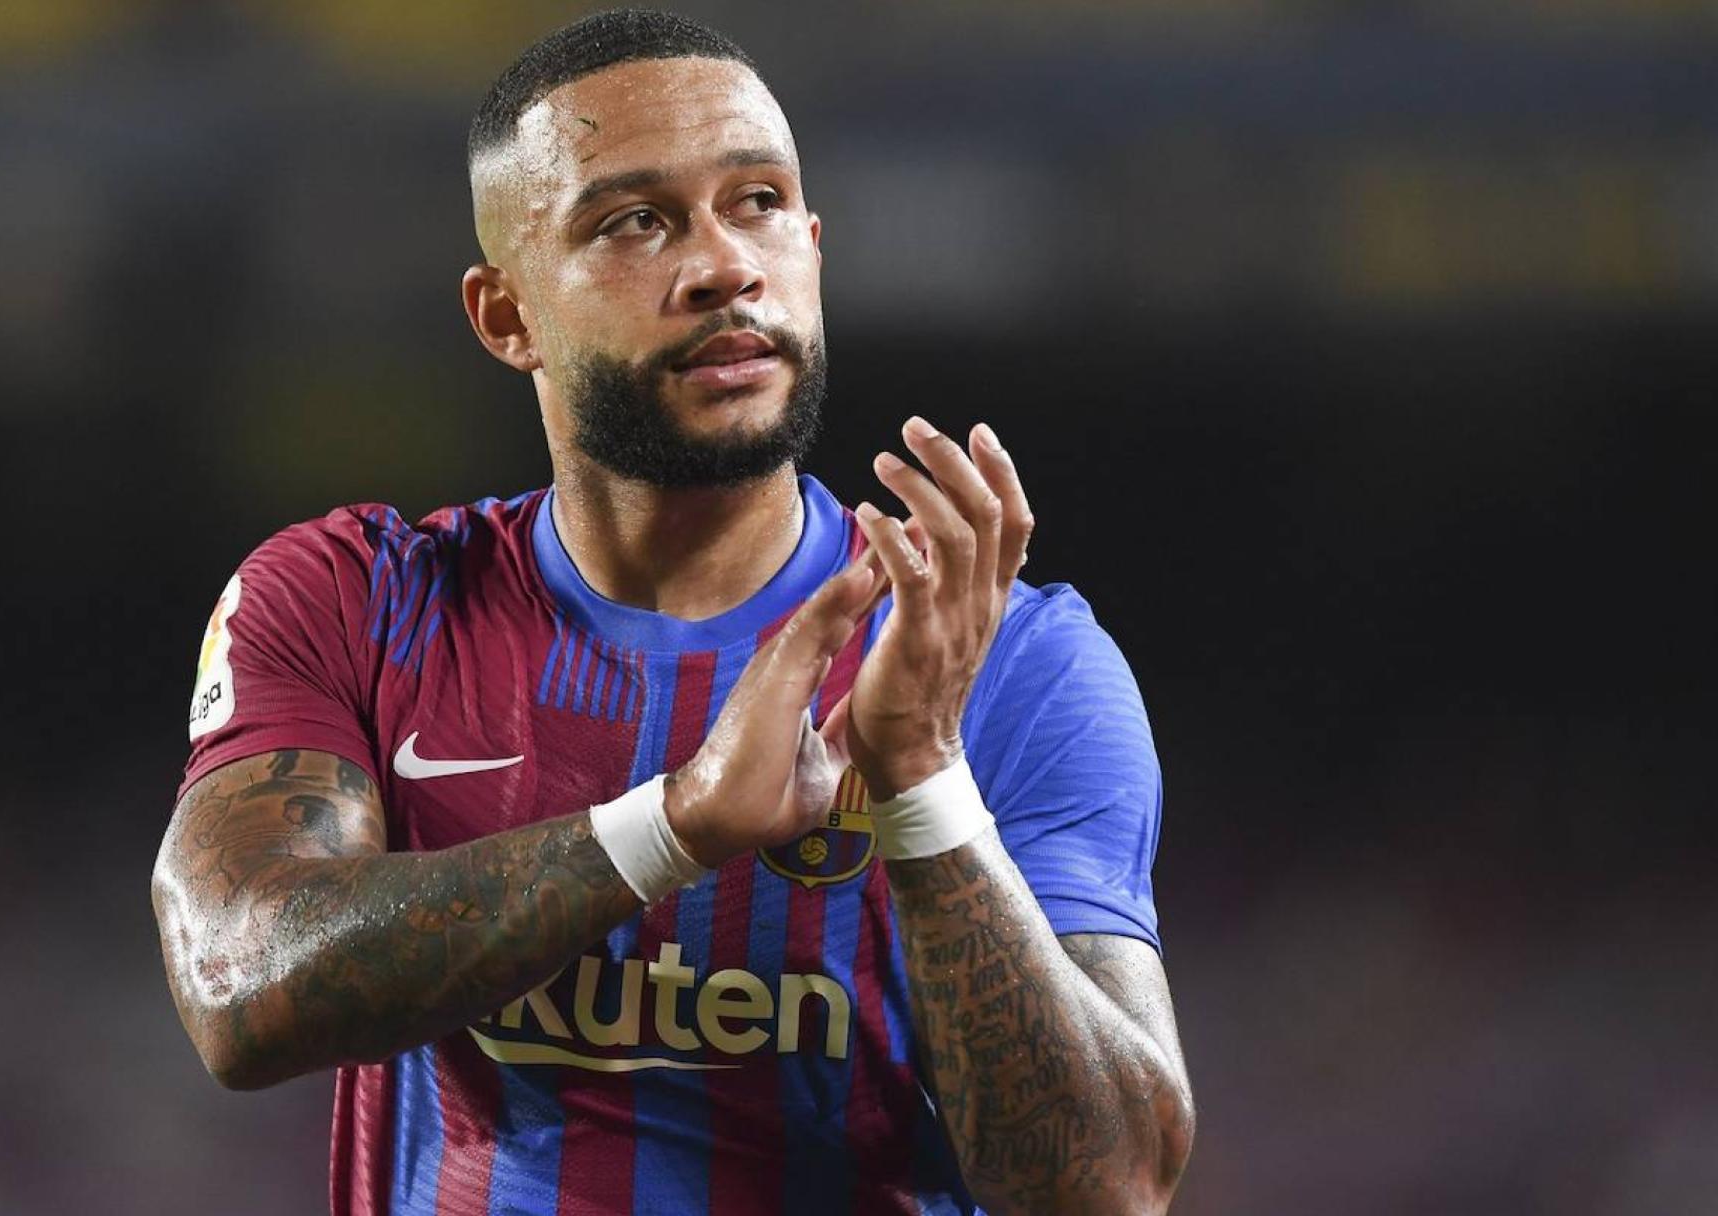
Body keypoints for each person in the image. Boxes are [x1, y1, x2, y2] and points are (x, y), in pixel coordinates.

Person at [151, 10, 1194, 1214]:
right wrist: (674, 825)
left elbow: (1112, 1185)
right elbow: (239, 987)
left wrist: (922, 778)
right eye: (634, 222)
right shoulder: (358, 602)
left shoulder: (1015, 661)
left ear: (812, 249)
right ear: (507, 316)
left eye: (758, 203)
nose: (723, 266)